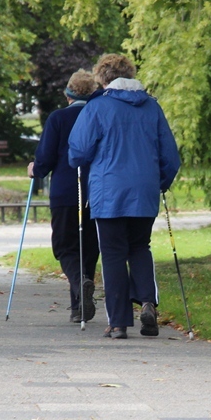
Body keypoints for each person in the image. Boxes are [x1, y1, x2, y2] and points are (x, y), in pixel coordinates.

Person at [68, 53, 181, 339]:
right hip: (144, 191)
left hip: (109, 193)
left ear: (102, 79)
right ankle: (147, 302)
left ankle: (118, 322)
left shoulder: (97, 108)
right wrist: (160, 182)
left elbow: (78, 152)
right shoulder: (152, 107)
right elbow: (170, 156)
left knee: (114, 254)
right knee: (140, 246)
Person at [28, 69, 101, 324]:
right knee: (89, 248)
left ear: (68, 94)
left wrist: (34, 169)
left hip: (65, 193)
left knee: (65, 247)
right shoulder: (98, 115)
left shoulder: (58, 118)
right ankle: (79, 306)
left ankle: (80, 289)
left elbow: (45, 158)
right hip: (96, 192)